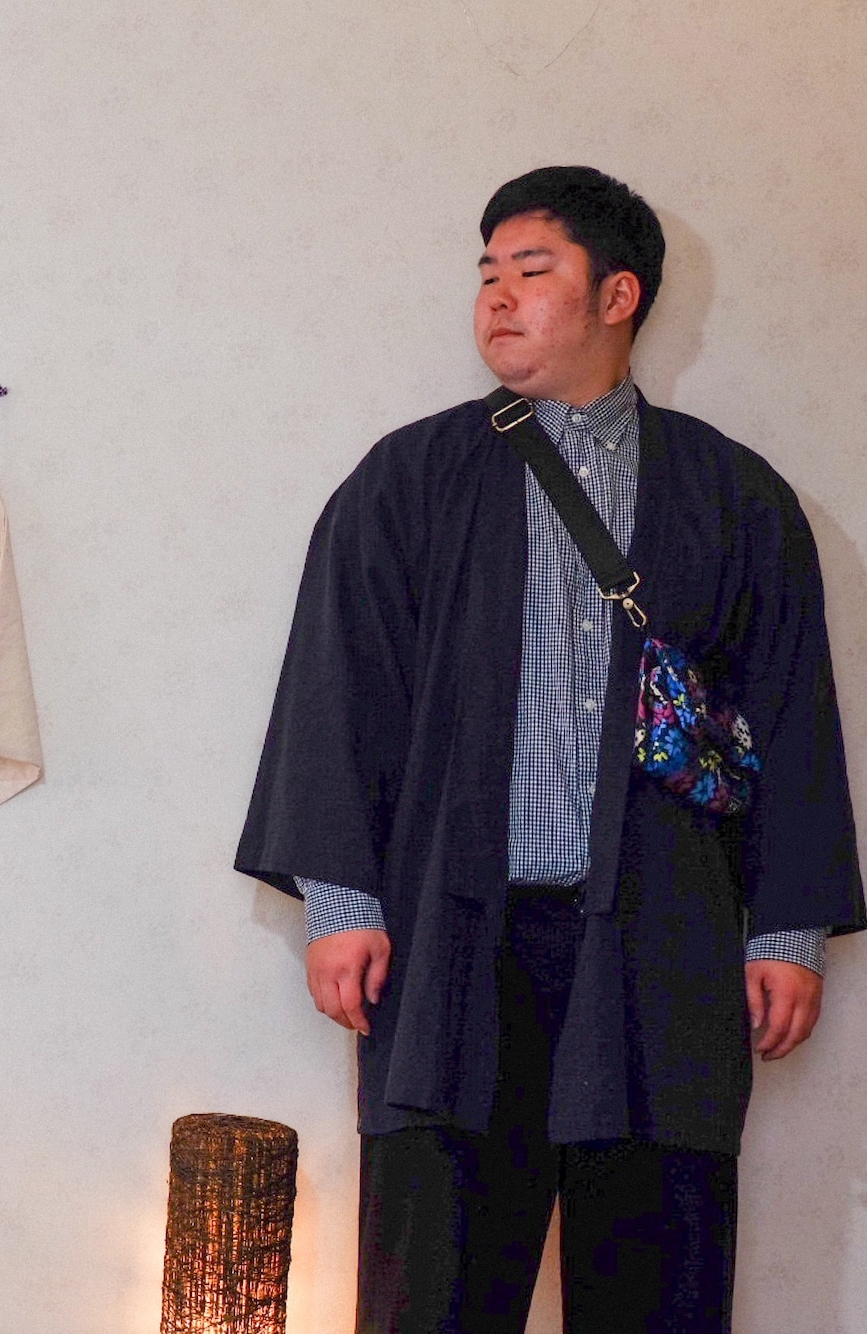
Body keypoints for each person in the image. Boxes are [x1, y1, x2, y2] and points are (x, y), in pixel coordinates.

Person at [235, 166, 864, 1332]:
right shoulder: (409, 480)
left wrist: (785, 930)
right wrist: (340, 903)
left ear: (618, 295)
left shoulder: (732, 495)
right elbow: (340, 687)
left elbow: (785, 710)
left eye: (532, 270)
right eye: (486, 272)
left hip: (662, 946)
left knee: (658, 1282)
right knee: (433, 1287)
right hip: (450, 946)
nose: (496, 297)